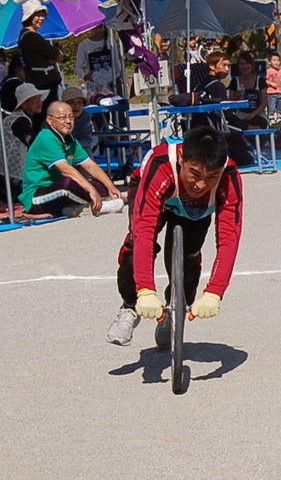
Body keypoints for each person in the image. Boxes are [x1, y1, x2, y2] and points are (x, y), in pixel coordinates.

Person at [105, 126, 244, 348]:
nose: (200, 184)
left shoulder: (228, 174)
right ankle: (130, 306)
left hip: (195, 208)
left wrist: (215, 292)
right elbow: (144, 231)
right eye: (195, 173)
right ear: (181, 158)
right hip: (154, 188)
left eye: (211, 177)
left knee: (189, 258)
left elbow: (229, 239)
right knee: (135, 245)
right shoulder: (161, 164)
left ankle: (174, 309)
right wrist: (145, 290)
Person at [21, 101, 122, 217]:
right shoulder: (46, 138)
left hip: (58, 191)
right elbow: (66, 170)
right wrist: (90, 190)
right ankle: (98, 206)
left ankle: (75, 208)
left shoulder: (70, 139)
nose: (68, 121)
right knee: (67, 184)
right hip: (37, 196)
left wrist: (111, 186)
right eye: (63, 118)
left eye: (71, 117)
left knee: (99, 184)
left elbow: (90, 165)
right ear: (50, 120)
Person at [0, 82, 47, 191]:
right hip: (10, 174)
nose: (40, 102)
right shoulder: (20, 120)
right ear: (24, 104)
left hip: (0, 170)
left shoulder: (19, 117)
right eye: (35, 99)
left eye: (40, 98)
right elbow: (33, 142)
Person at [17, 1, 63, 112]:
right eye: (38, 15)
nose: (41, 18)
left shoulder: (25, 36)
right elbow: (57, 55)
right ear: (30, 17)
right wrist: (58, 52)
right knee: (48, 115)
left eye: (43, 15)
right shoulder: (32, 37)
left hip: (39, 84)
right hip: (44, 86)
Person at [228, 52, 269, 131]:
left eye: (247, 63)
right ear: (238, 66)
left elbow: (264, 103)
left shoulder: (260, 81)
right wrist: (235, 97)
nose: (245, 66)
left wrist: (253, 114)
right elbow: (229, 103)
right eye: (242, 64)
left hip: (258, 114)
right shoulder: (234, 82)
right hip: (240, 115)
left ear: (252, 65)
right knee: (232, 126)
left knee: (258, 124)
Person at [75, 24, 116, 98]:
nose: (97, 30)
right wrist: (85, 76)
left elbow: (116, 61)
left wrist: (118, 75)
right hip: (95, 86)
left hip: (112, 83)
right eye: (94, 28)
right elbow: (78, 68)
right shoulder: (84, 45)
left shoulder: (110, 41)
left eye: (99, 27)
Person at [61, 85, 96, 153]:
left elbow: (87, 139)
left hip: (76, 147)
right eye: (72, 102)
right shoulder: (56, 118)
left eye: (79, 102)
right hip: (58, 150)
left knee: (86, 149)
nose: (76, 106)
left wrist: (73, 146)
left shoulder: (85, 116)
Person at [265, 52, 281, 122]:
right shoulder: (268, 71)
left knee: (280, 106)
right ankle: (271, 117)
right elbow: (264, 80)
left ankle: (279, 117)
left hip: (279, 92)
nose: (276, 62)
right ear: (269, 62)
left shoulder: (280, 71)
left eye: (278, 60)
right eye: (274, 60)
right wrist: (271, 83)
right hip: (271, 93)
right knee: (271, 106)